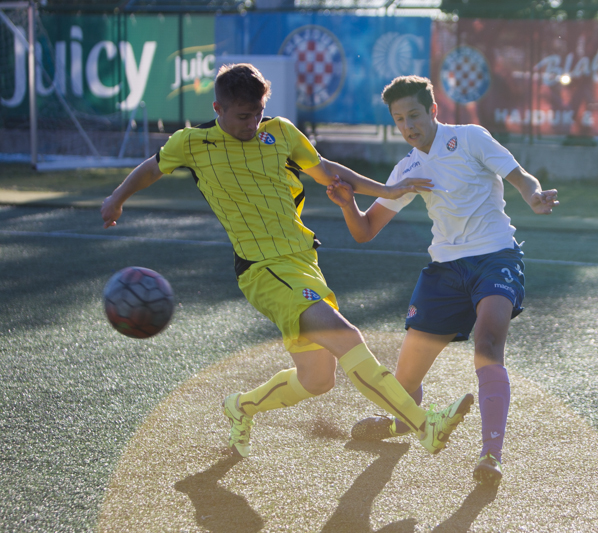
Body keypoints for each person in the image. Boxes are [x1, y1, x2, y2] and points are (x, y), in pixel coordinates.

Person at [100, 63, 474, 459]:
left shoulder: (279, 133)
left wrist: (387, 188)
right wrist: (116, 198)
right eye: (244, 116)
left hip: (303, 262)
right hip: (263, 270)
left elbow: (327, 171)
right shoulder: (191, 143)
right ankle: (424, 425)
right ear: (218, 109)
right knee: (346, 336)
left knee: (317, 380)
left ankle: (241, 407)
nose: (253, 123)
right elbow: (151, 168)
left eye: (258, 113)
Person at [326, 75, 559, 487]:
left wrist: (535, 197)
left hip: (495, 257)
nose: (408, 126)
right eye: (399, 120)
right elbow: (364, 231)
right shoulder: (407, 168)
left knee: (487, 345)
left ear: (433, 110)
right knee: (406, 384)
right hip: (444, 272)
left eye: (414, 114)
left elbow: (521, 177)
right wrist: (348, 203)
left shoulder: (470, 138)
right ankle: (401, 422)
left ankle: (491, 455)